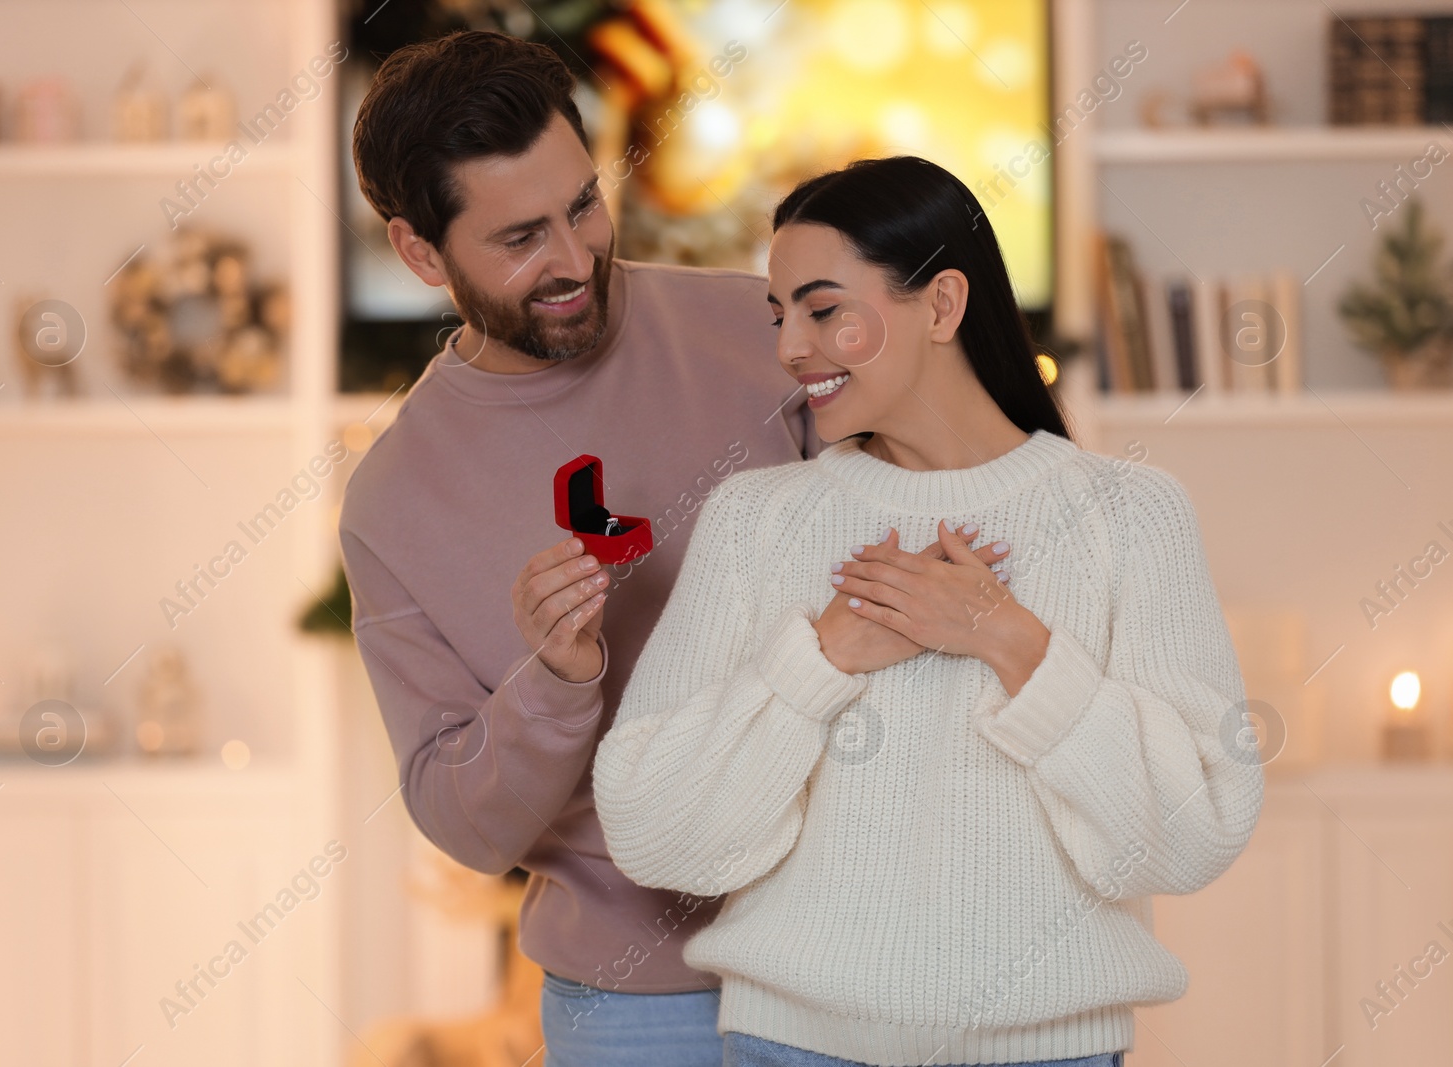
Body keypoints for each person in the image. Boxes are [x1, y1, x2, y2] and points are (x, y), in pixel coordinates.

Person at [340, 31, 1004, 1067]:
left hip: (859, 952)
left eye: (581, 207)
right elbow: (462, 821)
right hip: (634, 1003)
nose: (572, 259)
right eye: (519, 238)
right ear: (421, 252)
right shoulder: (394, 499)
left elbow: (942, 539)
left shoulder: (759, 327)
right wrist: (554, 680)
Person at [592, 156, 1265, 1067]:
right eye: (781, 314)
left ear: (943, 305)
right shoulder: (756, 520)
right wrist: (818, 660)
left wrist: (1011, 641)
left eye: (825, 310)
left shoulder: (1131, 516)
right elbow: (654, 832)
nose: (792, 347)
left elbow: (1194, 832)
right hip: (789, 1048)